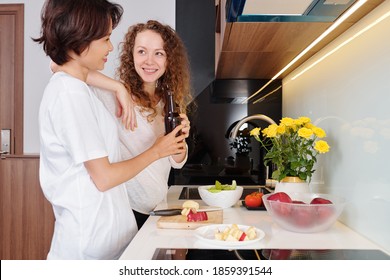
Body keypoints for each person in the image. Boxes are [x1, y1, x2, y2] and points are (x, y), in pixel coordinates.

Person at [33, 0, 186, 259]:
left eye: (159, 53)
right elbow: (103, 178)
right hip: (89, 246)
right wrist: (120, 89)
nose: (111, 46)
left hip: (112, 238)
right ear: (81, 40)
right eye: (106, 38)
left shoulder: (78, 90)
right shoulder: (71, 93)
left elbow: (67, 68)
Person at [88, 20, 193, 229]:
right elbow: (62, 68)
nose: (150, 61)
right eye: (142, 51)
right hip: (127, 210)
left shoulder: (169, 102)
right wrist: (118, 88)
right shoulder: (113, 96)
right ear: (132, 55)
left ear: (168, 59)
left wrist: (180, 139)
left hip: (158, 207)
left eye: (159, 53)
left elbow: (177, 162)